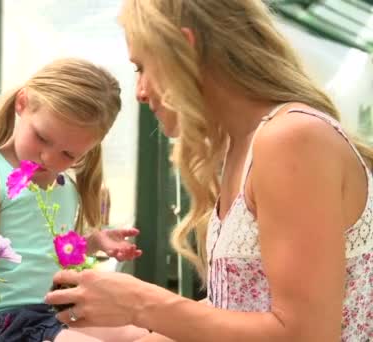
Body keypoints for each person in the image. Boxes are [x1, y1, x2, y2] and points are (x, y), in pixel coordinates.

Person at [45, 1, 373, 341]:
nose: (139, 92)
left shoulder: (292, 138)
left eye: (141, 67)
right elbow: (239, 307)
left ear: (187, 48)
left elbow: (306, 335)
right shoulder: (242, 147)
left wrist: (139, 305)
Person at [0, 58, 148, 342]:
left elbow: (48, 254)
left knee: (148, 335)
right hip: (1, 320)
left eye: (68, 155)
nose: (47, 158)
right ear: (22, 104)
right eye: (42, 138)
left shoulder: (66, 186)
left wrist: (93, 243)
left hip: (52, 313)